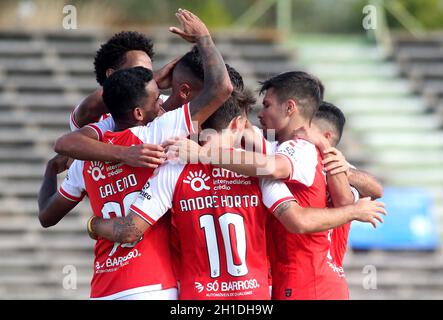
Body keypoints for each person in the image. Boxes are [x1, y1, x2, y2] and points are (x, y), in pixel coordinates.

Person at [87, 85, 386, 300]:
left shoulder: (174, 168)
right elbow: (302, 211)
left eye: (267, 105)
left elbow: (130, 229)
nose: (261, 116)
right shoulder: (260, 171)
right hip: (260, 293)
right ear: (238, 124)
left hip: (200, 295)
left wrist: (92, 224)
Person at [38, 8, 232, 299]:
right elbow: (222, 88)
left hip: (104, 289)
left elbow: (46, 215)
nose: (163, 103)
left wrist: (52, 171)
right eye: (156, 98)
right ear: (139, 111)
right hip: (153, 285)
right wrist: (204, 38)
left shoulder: (87, 154)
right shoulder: (158, 132)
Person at [171, 71, 358, 299]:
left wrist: (203, 154)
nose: (261, 113)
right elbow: (245, 131)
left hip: (309, 284)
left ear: (289, 108)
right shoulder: (290, 149)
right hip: (306, 281)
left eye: (267, 105)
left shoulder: (297, 149)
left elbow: (274, 173)